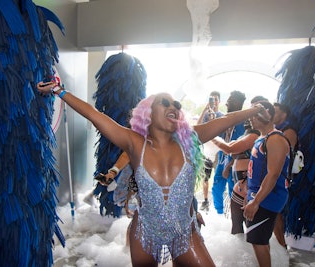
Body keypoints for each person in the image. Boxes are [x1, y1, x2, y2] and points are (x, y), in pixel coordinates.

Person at [37, 81, 268, 266]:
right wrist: (59, 90)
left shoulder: (191, 138)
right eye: (164, 103)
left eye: (176, 104)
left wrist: (256, 109)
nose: (174, 107)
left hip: (184, 232)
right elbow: (95, 115)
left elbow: (227, 119)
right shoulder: (135, 143)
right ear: (148, 113)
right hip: (145, 232)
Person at [242, 101, 291, 267]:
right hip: (259, 195)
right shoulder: (262, 138)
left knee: (259, 242)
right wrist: (249, 196)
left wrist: (256, 201)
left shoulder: (275, 138)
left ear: (268, 114)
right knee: (259, 240)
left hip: (267, 197)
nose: (251, 117)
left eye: (256, 113)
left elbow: (274, 173)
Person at [212, 119, 260, 234]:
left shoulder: (254, 136)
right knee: (237, 230)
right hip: (238, 188)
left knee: (253, 232)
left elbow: (229, 149)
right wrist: (228, 167)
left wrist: (212, 136)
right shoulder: (245, 136)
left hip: (249, 191)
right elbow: (234, 154)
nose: (249, 120)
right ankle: (240, 252)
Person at [211, 90, 246, 215]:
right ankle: (219, 215)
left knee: (234, 191)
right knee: (216, 188)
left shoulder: (244, 123)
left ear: (237, 102)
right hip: (222, 159)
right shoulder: (226, 120)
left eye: (229, 101)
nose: (226, 104)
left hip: (234, 162)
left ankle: (235, 218)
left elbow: (242, 148)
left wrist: (229, 165)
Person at [272, 102, 298, 248]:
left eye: (275, 112)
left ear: (284, 114)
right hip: (273, 175)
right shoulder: (276, 130)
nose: (271, 115)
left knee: (276, 212)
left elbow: (282, 156)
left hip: (281, 177)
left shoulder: (289, 132)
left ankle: (282, 246)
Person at [197, 91, 224, 211]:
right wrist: (204, 110)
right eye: (211, 99)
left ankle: (219, 204)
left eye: (216, 99)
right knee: (205, 178)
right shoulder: (206, 115)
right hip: (207, 152)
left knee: (218, 178)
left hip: (219, 151)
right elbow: (197, 126)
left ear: (219, 101)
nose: (214, 102)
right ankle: (206, 201)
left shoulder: (222, 115)